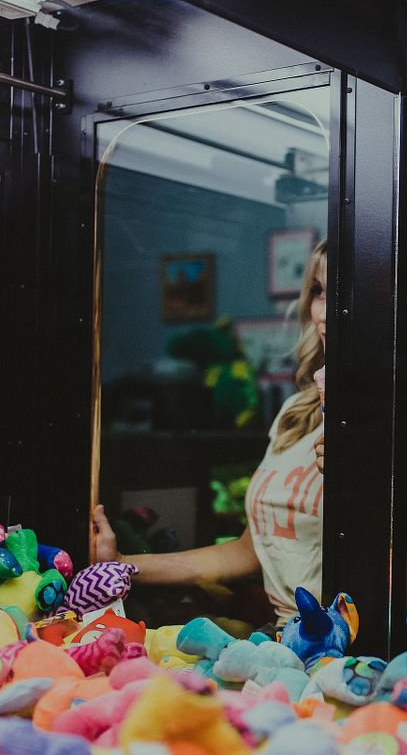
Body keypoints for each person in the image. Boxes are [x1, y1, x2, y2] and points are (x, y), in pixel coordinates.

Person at [93, 239, 328, 626]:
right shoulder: (294, 416)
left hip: (356, 652)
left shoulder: (392, 426)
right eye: (318, 292)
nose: (323, 312)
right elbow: (245, 553)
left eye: (342, 295)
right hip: (284, 644)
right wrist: (120, 566)